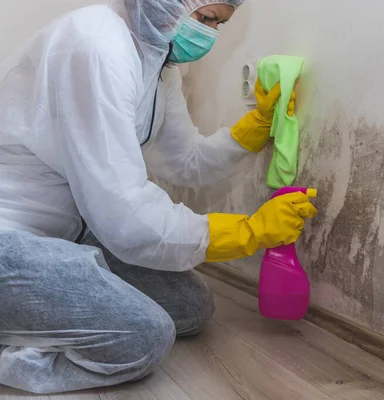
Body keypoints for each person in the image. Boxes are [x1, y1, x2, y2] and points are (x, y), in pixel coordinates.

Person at [0, 0, 317, 394]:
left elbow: (187, 161)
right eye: (204, 19)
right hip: (9, 236)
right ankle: (15, 356)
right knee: (142, 336)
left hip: (66, 231)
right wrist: (245, 233)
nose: (209, 36)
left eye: (218, 24)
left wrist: (253, 128)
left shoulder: (159, 63)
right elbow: (125, 219)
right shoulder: (96, 45)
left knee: (189, 308)